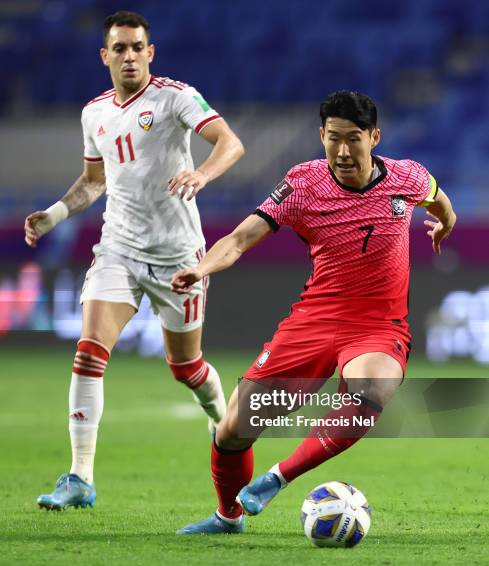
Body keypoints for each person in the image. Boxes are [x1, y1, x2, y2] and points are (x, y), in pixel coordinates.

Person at [171, 90, 456, 535]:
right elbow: (242, 239)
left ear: (374, 137)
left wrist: (444, 225)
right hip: (315, 322)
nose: (343, 151)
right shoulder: (303, 184)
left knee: (371, 390)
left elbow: (441, 203)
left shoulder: (408, 178)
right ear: (321, 135)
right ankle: (228, 517)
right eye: (333, 138)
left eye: (354, 139)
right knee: (232, 431)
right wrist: (202, 268)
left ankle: (277, 476)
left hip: (378, 327)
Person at [24, 11, 244, 511]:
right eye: (119, 48)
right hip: (118, 249)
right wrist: (54, 215)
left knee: (186, 367)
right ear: (105, 56)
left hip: (178, 256)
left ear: (151, 52)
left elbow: (231, 143)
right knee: (88, 352)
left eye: (137, 47)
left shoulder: (175, 97)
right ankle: (80, 477)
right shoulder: (93, 114)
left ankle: (220, 422)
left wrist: (203, 174)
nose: (128, 56)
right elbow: (94, 182)